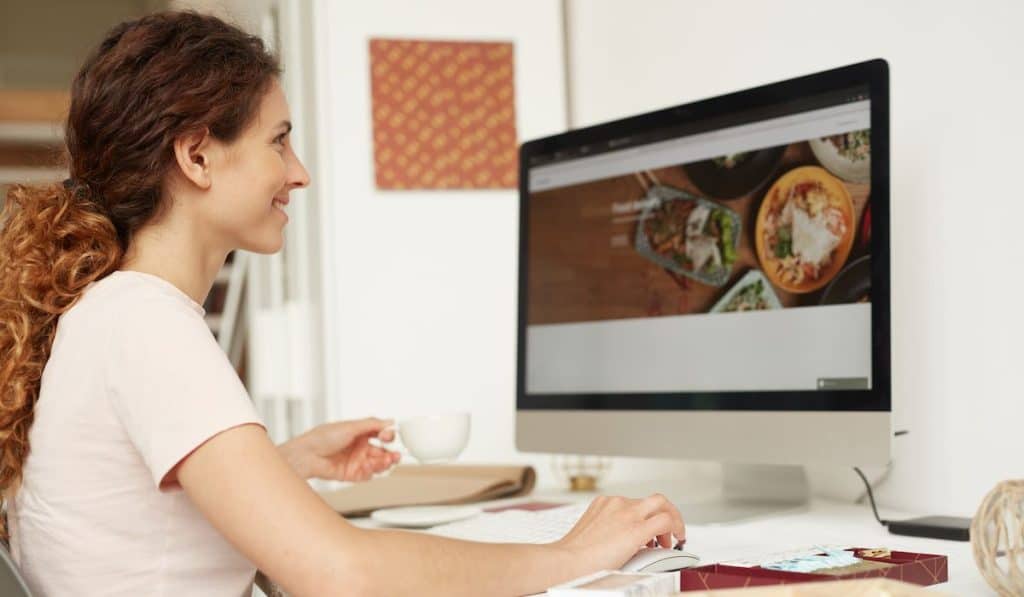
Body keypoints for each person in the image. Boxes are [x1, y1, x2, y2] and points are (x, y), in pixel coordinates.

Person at [0, 10, 686, 596]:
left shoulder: (110, 313)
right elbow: (340, 571)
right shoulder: (145, 322)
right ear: (198, 157)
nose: (298, 172)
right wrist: (568, 556)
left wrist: (282, 464)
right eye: (279, 139)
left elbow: (128, 520)